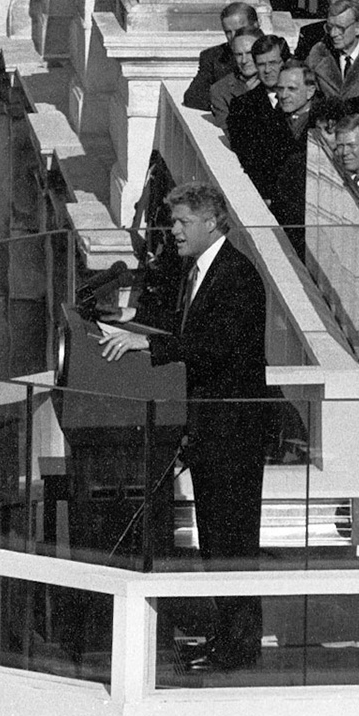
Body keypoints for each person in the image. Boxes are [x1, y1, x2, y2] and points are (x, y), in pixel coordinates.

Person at [99, 184, 268, 673]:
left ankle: (239, 648)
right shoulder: (198, 270)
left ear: (211, 222)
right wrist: (133, 321)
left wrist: (147, 349)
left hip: (233, 430)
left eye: (181, 223)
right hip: (210, 428)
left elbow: (214, 341)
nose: (172, 231)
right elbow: (183, 320)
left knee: (233, 539)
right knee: (216, 539)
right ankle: (227, 640)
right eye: (172, 222)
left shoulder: (237, 274)